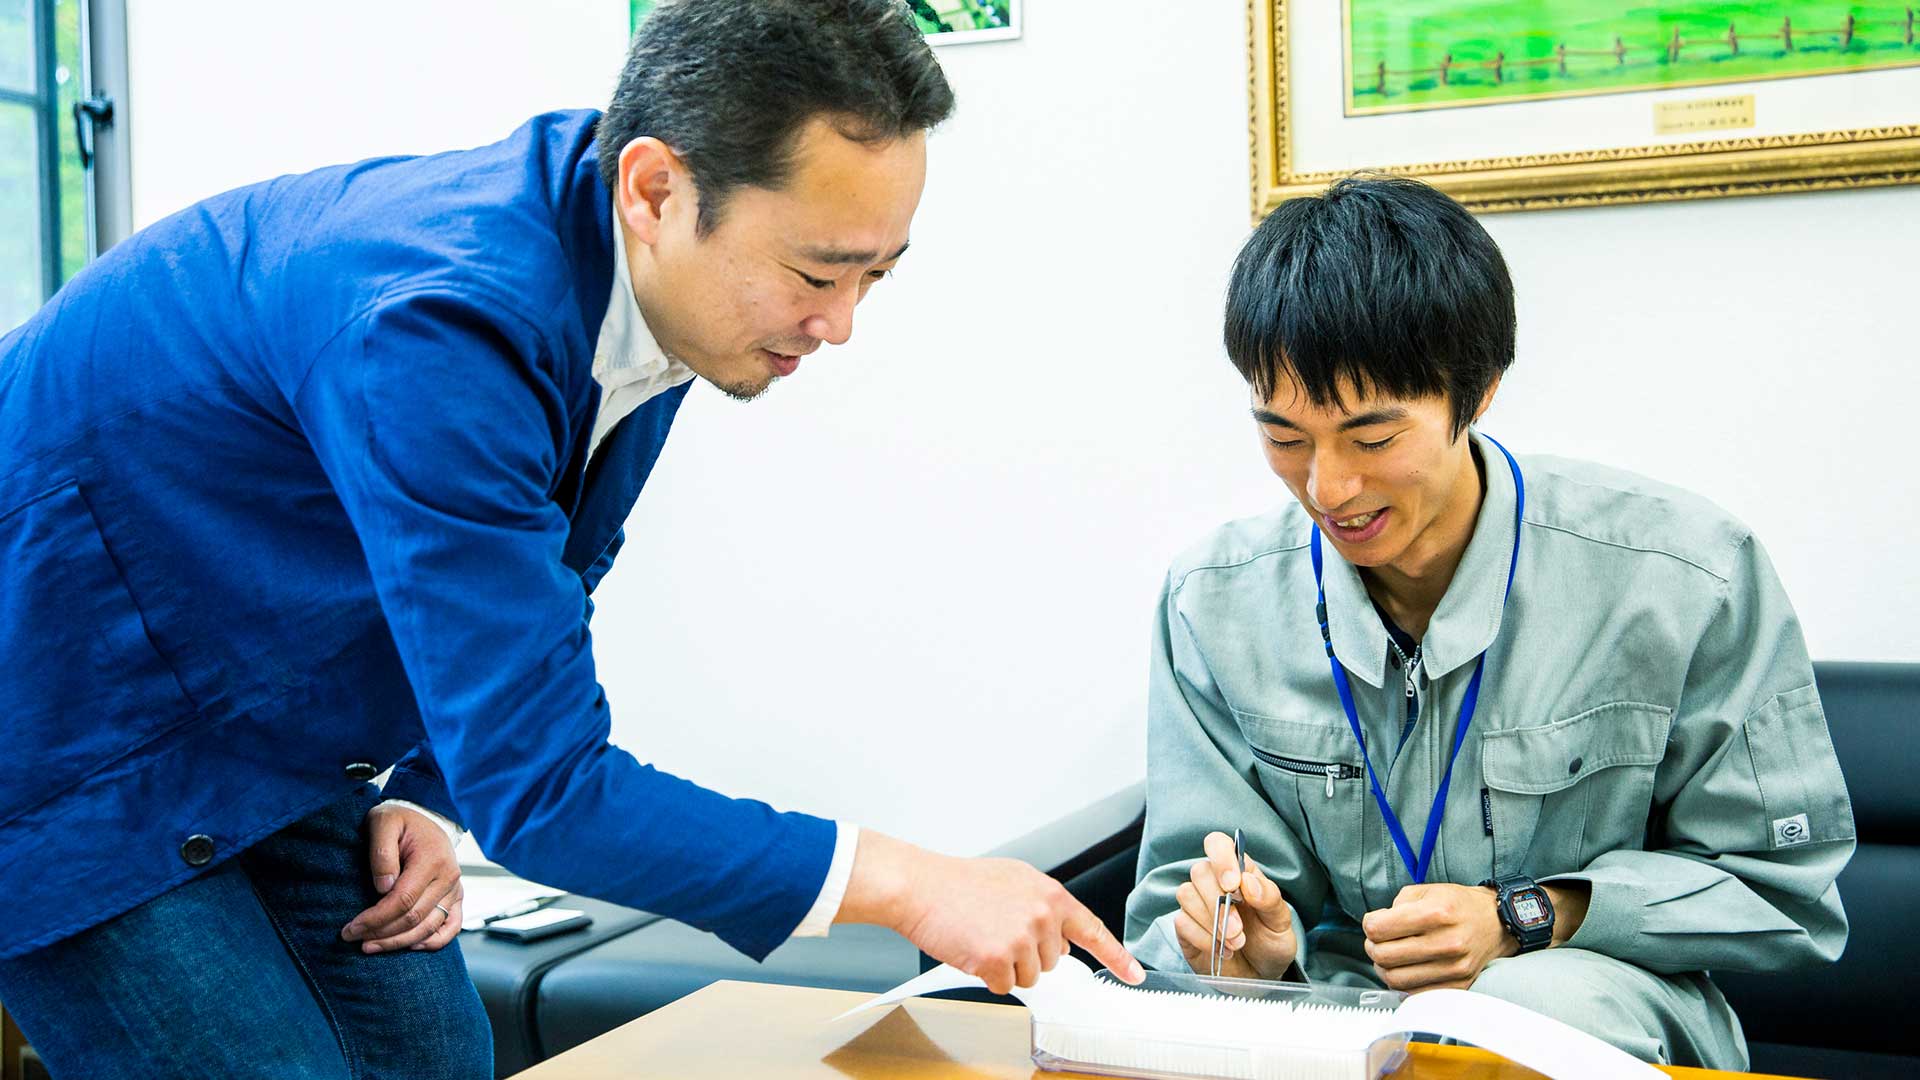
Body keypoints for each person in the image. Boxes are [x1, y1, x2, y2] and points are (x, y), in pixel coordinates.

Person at [0, 2, 1140, 1075]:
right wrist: (911, 884)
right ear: (655, 188)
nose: (838, 326)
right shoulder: (443, 322)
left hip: (258, 710)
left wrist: (430, 791)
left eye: (874, 277)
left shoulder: (647, 283)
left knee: (436, 1055)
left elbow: (541, 571)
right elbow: (544, 790)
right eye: (816, 273)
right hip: (61, 723)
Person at [1122, 175, 1852, 1069]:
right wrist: (1248, 951)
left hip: (1590, 1004)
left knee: (1512, 1010)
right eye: (1284, 437)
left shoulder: (1685, 577)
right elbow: (1175, 917)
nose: (1329, 488)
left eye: (1373, 438)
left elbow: (1783, 899)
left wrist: (1530, 915)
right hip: (1326, 1025)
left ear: (1479, 391)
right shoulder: (1213, 602)